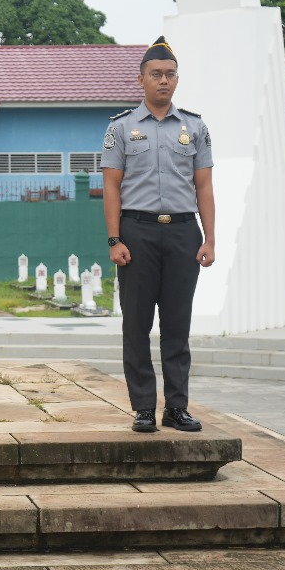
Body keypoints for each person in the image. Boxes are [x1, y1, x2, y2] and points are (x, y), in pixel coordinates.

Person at [101, 36, 215, 434]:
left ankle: (177, 408)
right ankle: (144, 408)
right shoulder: (121, 128)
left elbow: (204, 187)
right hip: (137, 232)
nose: (163, 81)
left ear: (177, 80)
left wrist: (209, 239)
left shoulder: (195, 128)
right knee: (135, 323)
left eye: (169, 75)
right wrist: (115, 240)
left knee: (178, 325)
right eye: (155, 74)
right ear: (141, 79)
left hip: (184, 232)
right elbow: (111, 186)